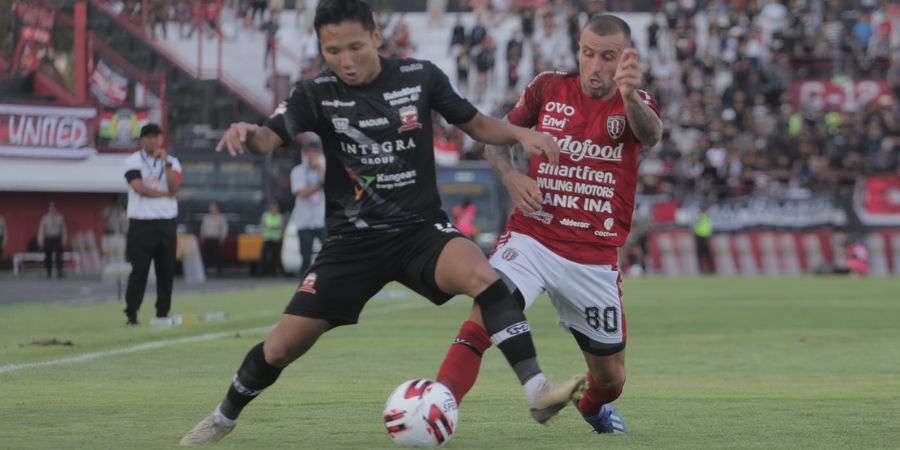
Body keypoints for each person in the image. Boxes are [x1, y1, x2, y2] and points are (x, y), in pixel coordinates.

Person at [180, 0, 581, 445]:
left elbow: (476, 124)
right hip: (353, 242)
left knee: (488, 278)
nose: (345, 61)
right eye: (333, 51)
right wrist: (248, 134)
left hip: (420, 231)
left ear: (376, 36)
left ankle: (537, 390)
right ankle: (223, 417)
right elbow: (269, 138)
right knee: (281, 347)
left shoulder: (419, 76)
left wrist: (521, 133)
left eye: (355, 47)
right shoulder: (315, 93)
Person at [435, 14, 662, 435]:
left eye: (607, 57)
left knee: (611, 380)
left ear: (625, 58)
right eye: (588, 53)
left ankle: (592, 410)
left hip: (592, 257)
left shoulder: (638, 101)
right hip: (533, 236)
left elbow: (649, 135)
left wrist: (629, 96)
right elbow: (495, 141)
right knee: (488, 308)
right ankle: (437, 403)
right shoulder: (547, 87)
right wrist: (511, 176)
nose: (595, 66)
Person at [123, 123, 182, 326]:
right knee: (139, 270)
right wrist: (166, 195)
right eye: (147, 137)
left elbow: (176, 186)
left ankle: (163, 313)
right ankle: (131, 313)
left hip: (166, 223)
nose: (151, 140)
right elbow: (139, 188)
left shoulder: (172, 162)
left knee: (166, 271)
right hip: (141, 223)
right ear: (142, 140)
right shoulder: (133, 161)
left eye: (155, 136)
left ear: (161, 139)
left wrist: (166, 165)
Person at [290, 141, 327, 275]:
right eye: (309, 153)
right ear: (304, 155)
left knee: (328, 252)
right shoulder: (298, 171)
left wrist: (321, 169)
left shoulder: (324, 170)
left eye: (315, 152)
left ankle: (325, 278)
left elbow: (330, 186)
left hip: (321, 219)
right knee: (305, 256)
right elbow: (301, 193)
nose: (312, 156)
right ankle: (303, 284)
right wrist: (319, 184)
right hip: (304, 220)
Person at [37, 202, 67, 278]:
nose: (52, 210)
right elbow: (41, 230)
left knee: (59, 256)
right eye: (51, 208)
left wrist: (64, 240)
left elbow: (63, 230)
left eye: (53, 208)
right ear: (49, 209)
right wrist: (40, 240)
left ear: (56, 209)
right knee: (48, 256)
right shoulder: (45, 218)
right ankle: (49, 271)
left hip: (57, 238)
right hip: (48, 238)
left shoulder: (60, 218)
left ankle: (59, 271)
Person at [200, 201, 229, 276]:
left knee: (218, 256)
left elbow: (224, 228)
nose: (211, 209)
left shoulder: (221, 217)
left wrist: (222, 238)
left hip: (216, 239)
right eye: (210, 207)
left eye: (213, 207)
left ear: (217, 208)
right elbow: (203, 227)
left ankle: (219, 271)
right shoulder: (206, 217)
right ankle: (204, 270)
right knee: (205, 255)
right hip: (207, 238)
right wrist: (202, 236)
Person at [259, 201, 284, 276]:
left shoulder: (280, 216)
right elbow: (262, 226)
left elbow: (281, 227)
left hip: (276, 240)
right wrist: (274, 228)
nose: (274, 210)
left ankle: (273, 272)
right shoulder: (266, 216)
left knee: (275, 257)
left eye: (275, 208)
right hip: (267, 239)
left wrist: (270, 228)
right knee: (264, 256)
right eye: (272, 208)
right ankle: (262, 272)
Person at [694, 203, 714, 274]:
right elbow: (695, 225)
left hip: (704, 236)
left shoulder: (705, 216)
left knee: (705, 254)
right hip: (700, 236)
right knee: (702, 253)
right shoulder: (701, 216)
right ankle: (703, 269)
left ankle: (709, 269)